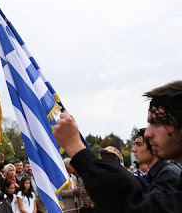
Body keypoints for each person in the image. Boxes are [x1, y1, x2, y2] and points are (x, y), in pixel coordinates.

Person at [53, 80, 182, 212]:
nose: (148, 133)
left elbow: (138, 208)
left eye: (157, 122)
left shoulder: (169, 174)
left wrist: (77, 149)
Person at [132, 127, 181, 194]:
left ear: (153, 147)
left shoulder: (167, 174)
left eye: (139, 145)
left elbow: (156, 203)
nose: (133, 149)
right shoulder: (157, 174)